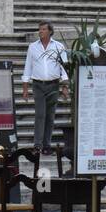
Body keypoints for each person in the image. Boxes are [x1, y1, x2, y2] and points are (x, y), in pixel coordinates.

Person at [22, 22, 68, 152]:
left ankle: (47, 145)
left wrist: (65, 86)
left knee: (50, 116)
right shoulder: (32, 47)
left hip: (53, 84)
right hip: (38, 85)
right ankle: (38, 144)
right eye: (39, 29)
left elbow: (64, 68)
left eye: (43, 29)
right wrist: (25, 88)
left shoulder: (59, 46)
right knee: (40, 114)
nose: (40, 31)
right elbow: (28, 67)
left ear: (49, 32)